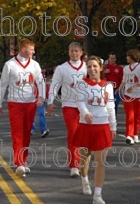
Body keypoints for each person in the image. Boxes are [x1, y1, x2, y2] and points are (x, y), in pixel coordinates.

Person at [0, 39, 45, 177]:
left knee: (27, 133)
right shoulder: (9, 65)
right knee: (17, 133)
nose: (33, 52)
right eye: (31, 49)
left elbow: (40, 81)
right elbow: (3, 84)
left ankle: (24, 160)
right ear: (23, 49)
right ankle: (19, 163)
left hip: (30, 103)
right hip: (15, 103)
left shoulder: (34, 65)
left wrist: (41, 97)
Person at [75, 56, 117, 204]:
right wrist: (85, 113)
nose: (92, 69)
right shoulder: (82, 84)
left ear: (100, 68)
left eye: (94, 66)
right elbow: (80, 101)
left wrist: (113, 126)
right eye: (89, 67)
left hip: (102, 125)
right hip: (86, 125)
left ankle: (97, 194)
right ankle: (84, 179)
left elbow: (111, 107)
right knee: (84, 157)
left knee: (100, 162)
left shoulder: (108, 86)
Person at [47, 42, 87, 178]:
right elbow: (54, 85)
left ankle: (83, 162)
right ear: (68, 52)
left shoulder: (87, 67)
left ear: (81, 52)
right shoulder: (62, 68)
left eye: (77, 51)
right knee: (73, 133)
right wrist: (50, 101)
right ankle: (74, 165)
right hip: (69, 105)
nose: (74, 53)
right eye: (72, 51)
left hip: (86, 106)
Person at [120, 49, 140, 145]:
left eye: (128, 56)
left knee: (137, 116)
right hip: (128, 95)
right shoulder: (126, 68)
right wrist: (120, 88)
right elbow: (124, 80)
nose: (126, 58)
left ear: (132, 57)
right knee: (130, 116)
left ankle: (135, 134)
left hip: (139, 95)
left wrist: (134, 86)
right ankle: (129, 135)